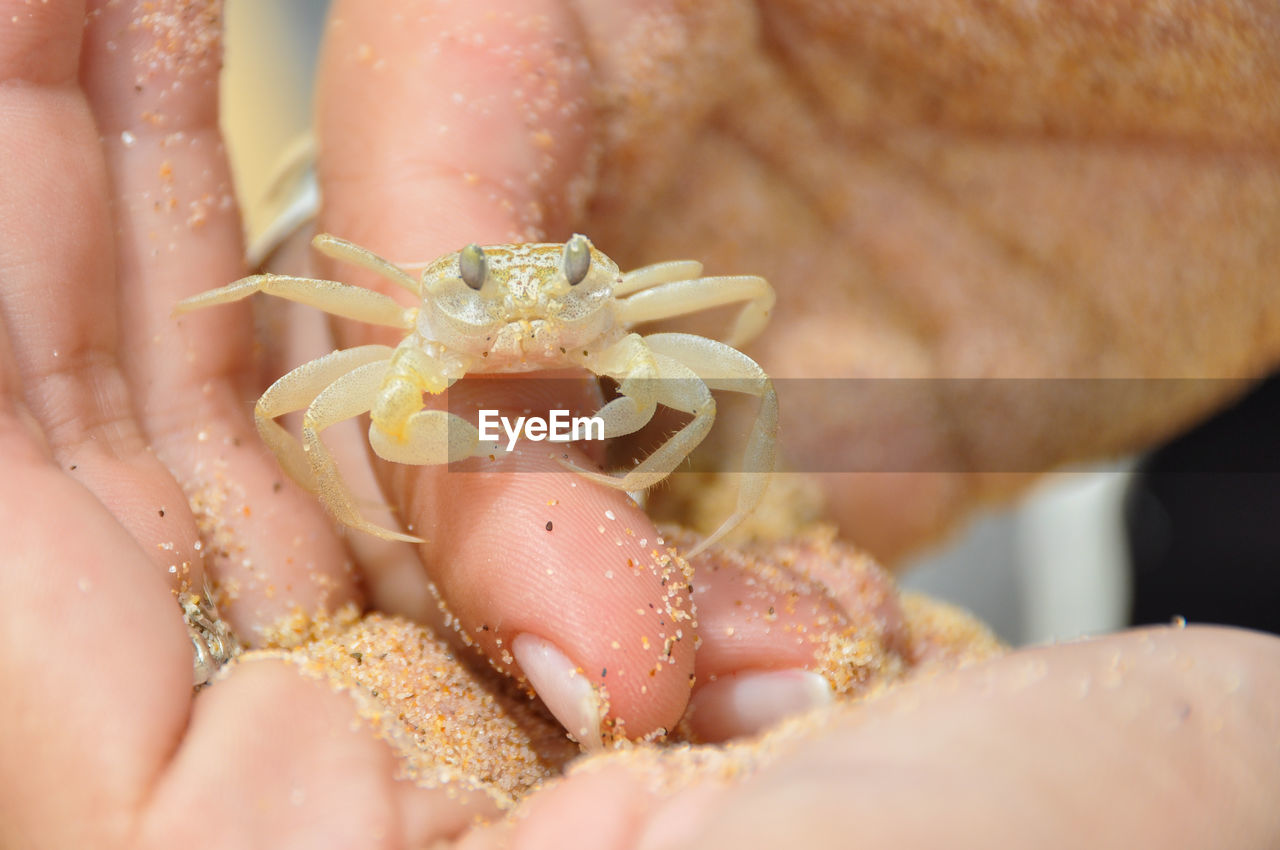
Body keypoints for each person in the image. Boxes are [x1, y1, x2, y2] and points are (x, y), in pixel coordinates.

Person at [1, 1, 1277, 847]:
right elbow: (295, 332)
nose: (522, 308)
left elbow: (743, 327)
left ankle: (709, 512)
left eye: (551, 279)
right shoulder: (421, 313)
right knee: (301, 386)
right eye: (491, 285)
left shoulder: (611, 306)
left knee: (726, 378)